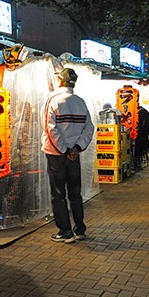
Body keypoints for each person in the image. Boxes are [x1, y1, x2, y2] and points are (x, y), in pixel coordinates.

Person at [41, 67, 94, 243]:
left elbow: (50, 128)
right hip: (73, 154)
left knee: (58, 193)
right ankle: (79, 229)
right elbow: (89, 127)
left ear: (60, 81)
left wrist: (64, 149)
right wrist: (76, 148)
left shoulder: (53, 100)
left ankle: (65, 231)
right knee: (75, 192)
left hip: (57, 154)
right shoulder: (81, 102)